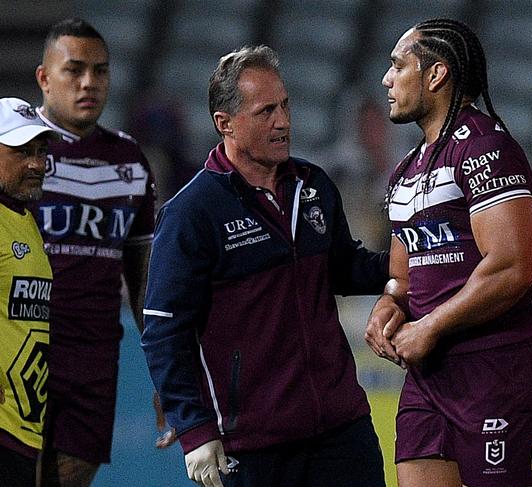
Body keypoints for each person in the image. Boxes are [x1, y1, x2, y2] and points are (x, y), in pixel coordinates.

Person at [141, 45, 389, 487]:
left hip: (341, 430)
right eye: (266, 111)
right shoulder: (192, 213)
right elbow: (164, 329)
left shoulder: (314, 185)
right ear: (225, 124)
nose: (284, 122)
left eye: (286, 105)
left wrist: (418, 262)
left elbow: (346, 268)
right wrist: (195, 431)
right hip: (252, 445)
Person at [364, 18, 532, 487]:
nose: (387, 80)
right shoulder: (405, 171)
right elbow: (403, 278)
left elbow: (513, 268)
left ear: (436, 75)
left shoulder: (488, 148)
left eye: (398, 66)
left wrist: (429, 326)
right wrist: (388, 304)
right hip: (428, 378)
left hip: (499, 374)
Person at [31, 18, 157, 487]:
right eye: (74, 70)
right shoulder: (14, 152)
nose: (89, 83)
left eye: (100, 72)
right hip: (21, 350)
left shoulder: (129, 161)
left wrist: (166, 371)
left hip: (93, 360)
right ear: (44, 77)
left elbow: (143, 279)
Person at [0, 97, 56, 486]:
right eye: (21, 151)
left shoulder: (23, 220)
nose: (36, 163)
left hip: (21, 429)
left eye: (40, 151)